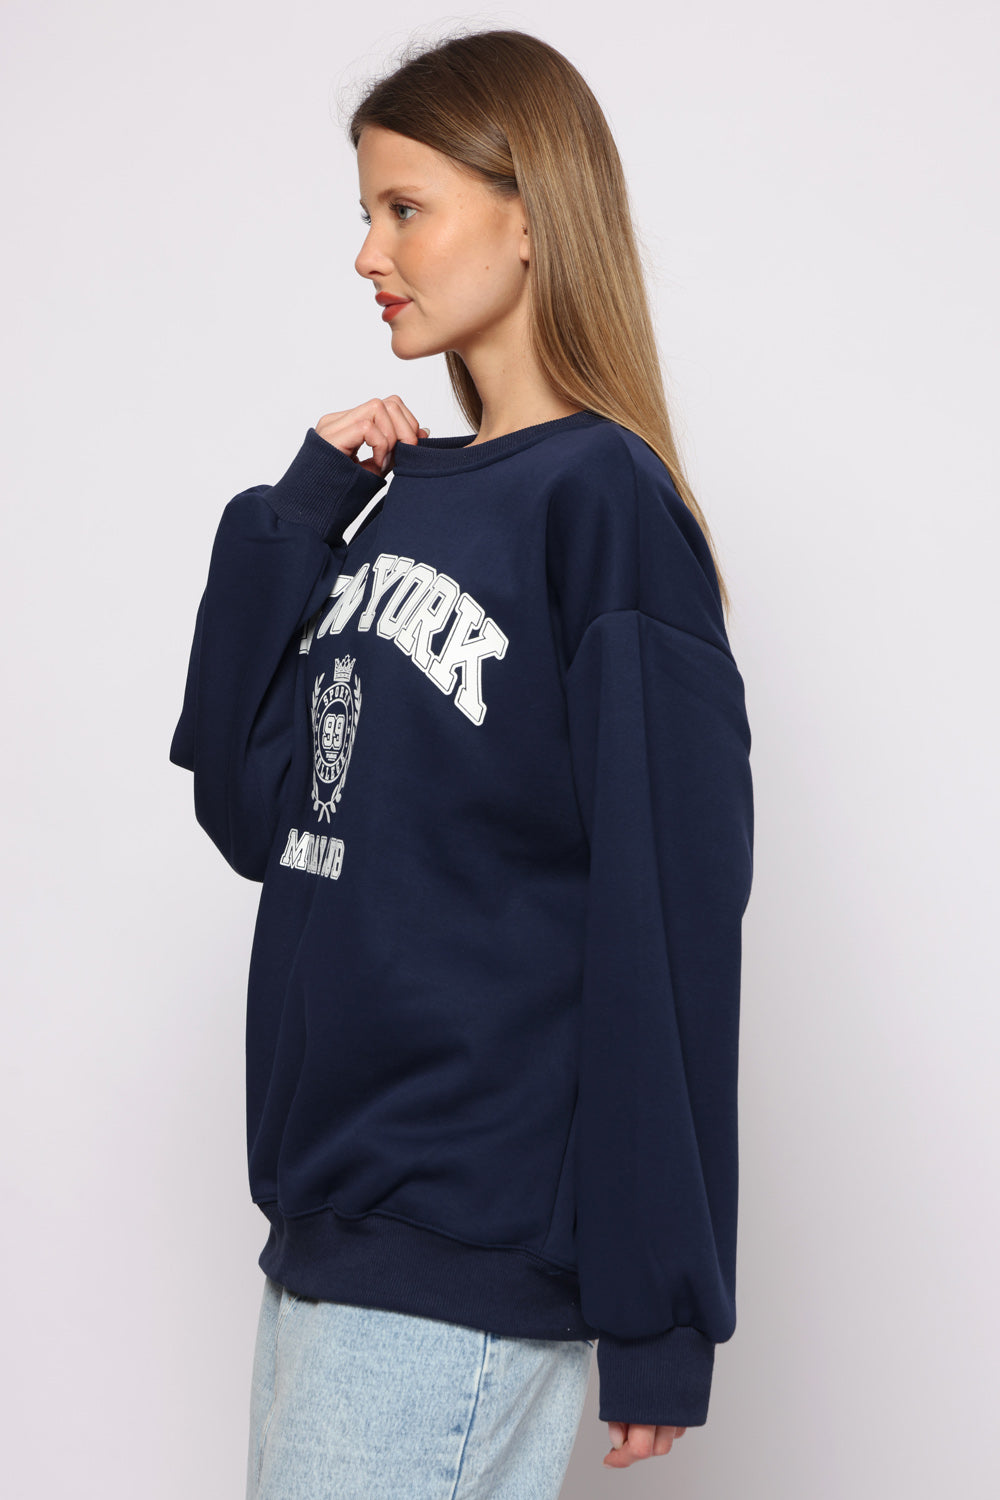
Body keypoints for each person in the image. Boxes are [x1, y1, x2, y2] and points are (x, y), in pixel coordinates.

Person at [169, 26, 754, 1498]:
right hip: (331, 1230)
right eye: (367, 212)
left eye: (405, 208)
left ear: (531, 214)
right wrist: (293, 520)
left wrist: (661, 1310)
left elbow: (668, 918)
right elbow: (255, 810)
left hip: (469, 1244)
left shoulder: (604, 504)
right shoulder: (397, 505)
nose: (369, 254)